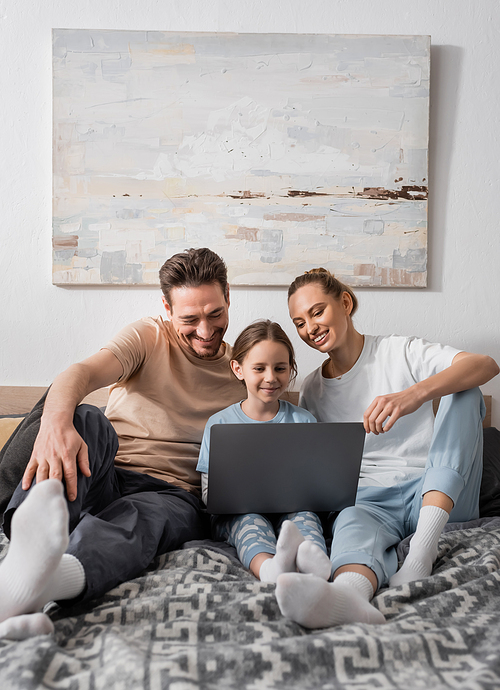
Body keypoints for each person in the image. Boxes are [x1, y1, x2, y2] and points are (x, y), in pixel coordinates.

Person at [0, 248, 246, 638]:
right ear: (166, 308)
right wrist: (54, 425)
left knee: (139, 519)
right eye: (190, 319)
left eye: (215, 314)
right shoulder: (148, 336)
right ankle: (28, 546)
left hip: (172, 494)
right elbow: (78, 374)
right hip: (102, 473)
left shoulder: (247, 370)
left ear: (228, 296)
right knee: (86, 418)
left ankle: (36, 584)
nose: (205, 330)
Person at [275, 268, 499, 629]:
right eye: (299, 322)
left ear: (344, 303)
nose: (310, 328)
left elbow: (485, 364)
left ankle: (422, 551)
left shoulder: (399, 351)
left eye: (317, 312)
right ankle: (348, 596)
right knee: (350, 519)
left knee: (466, 391)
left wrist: (414, 394)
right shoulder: (312, 389)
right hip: (371, 500)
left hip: (437, 494)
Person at [197, 320, 332, 583]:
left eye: (280, 368)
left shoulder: (304, 421)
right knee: (248, 521)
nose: (271, 378)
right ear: (238, 369)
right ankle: (270, 570)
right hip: (237, 513)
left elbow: (319, 485)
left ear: (290, 369)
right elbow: (207, 493)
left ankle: (314, 566)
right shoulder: (220, 424)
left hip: (295, 508)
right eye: (259, 368)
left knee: (306, 517)